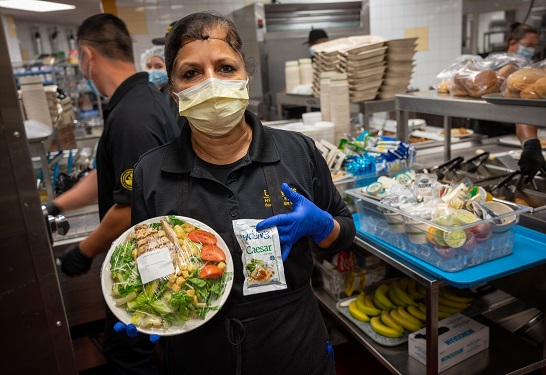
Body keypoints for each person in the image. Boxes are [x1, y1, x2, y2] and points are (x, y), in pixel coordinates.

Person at [130, 11, 355, 374]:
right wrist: (145, 305)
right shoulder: (152, 172)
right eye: (191, 73)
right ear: (173, 91)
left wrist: (322, 226)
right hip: (197, 352)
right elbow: (144, 256)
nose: (211, 84)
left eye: (225, 68)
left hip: (294, 348)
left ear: (245, 76)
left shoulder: (297, 151)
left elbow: (344, 233)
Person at [43, 13, 179, 374]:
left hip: (147, 268)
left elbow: (128, 208)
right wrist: (56, 204)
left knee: (128, 359)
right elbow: (110, 174)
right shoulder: (135, 100)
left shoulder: (133, 115)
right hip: (150, 259)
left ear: (86, 56)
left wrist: (83, 252)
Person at [474, 23, 545, 180]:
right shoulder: (492, 66)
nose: (532, 50)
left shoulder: (528, 71)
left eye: (535, 46)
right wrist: (530, 142)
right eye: (528, 45)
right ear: (513, 43)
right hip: (486, 138)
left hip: (511, 140)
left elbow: (523, 109)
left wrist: (530, 143)